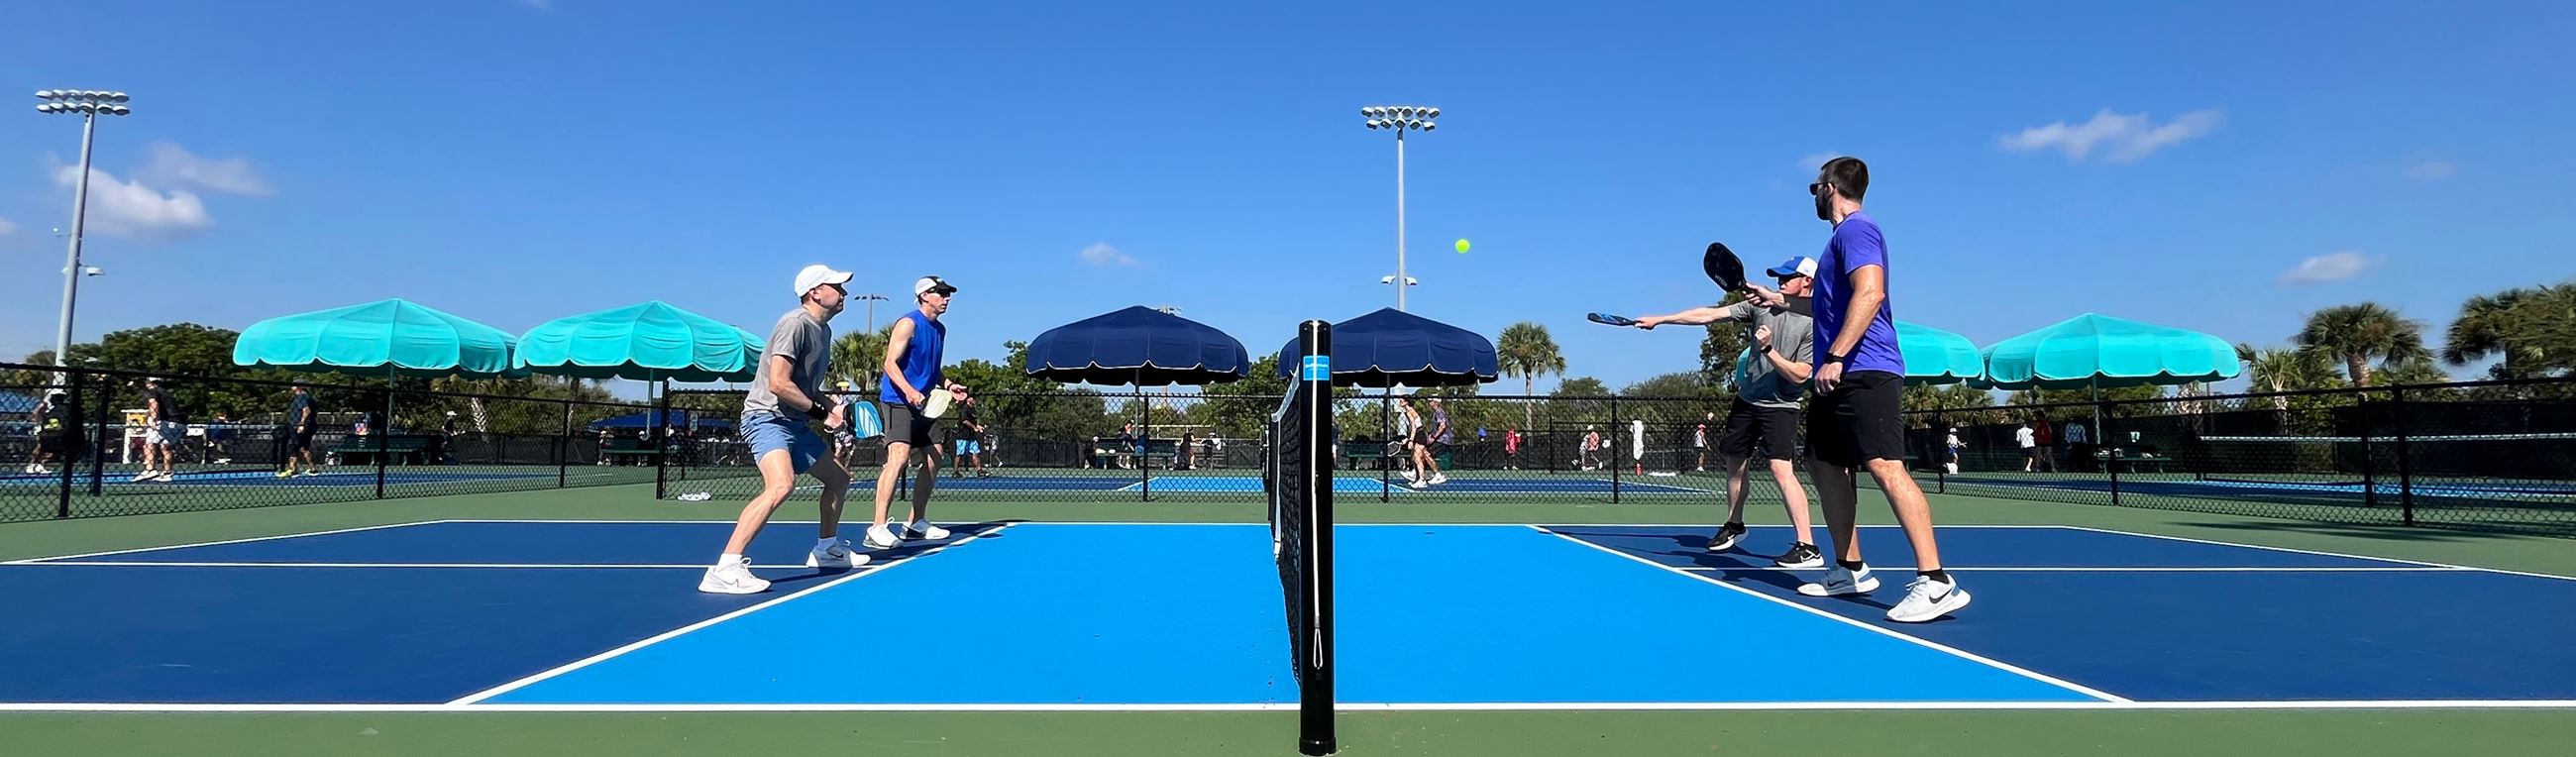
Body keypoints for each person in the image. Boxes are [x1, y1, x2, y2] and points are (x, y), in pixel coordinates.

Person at [1752, 156, 1965, 622]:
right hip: (1842, 373)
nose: (1814, 195)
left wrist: (1835, 356)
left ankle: (1935, 581)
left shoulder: (1857, 230)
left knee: (1886, 466)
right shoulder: (1836, 243)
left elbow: (1871, 293)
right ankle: (1850, 568)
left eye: (1815, 187)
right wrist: (1779, 299)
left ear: (1829, 188)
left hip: (1866, 369)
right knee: (1824, 463)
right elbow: (1831, 305)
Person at [1637, 256, 1824, 568]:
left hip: (1781, 406)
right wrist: (1662, 318)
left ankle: (1808, 546)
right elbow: (1707, 315)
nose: (1781, 282)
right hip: (1747, 401)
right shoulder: (1759, 307)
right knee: (1734, 463)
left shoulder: (1814, 323)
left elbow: (1801, 375)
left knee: (1781, 470)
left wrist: (1767, 349)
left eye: (1787, 277)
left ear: (1807, 281)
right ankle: (1734, 524)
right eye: (1778, 277)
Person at [698, 264, 868, 595]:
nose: (844, 292)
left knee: (839, 479)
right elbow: (778, 383)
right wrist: (822, 413)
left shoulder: (824, 331)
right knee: (781, 485)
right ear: (815, 292)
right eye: (837, 286)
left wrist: (833, 407)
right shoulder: (795, 324)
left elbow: (806, 386)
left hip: (796, 422)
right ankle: (725, 567)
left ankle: (826, 549)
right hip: (766, 418)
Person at [865, 275, 963, 551]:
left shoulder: (940, 330)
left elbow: (932, 368)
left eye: (947, 293)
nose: (946, 298)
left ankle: (915, 522)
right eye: (941, 293)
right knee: (898, 457)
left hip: (924, 402)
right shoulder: (908, 323)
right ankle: (877, 527)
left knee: (935, 456)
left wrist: (948, 384)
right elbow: (890, 364)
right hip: (898, 400)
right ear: (924, 295)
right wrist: (908, 391)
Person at [137, 378, 182, 483]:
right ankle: (167, 472)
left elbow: (154, 405)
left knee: (149, 444)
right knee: (166, 446)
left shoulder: (153, 392)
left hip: (165, 422)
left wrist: (153, 420)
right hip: (177, 422)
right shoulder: (166, 393)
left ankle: (150, 469)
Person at [26, 390, 70, 476]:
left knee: (51, 449)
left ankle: (40, 465)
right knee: (40, 446)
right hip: (43, 428)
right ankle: (31, 464)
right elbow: (36, 414)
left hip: (54, 429)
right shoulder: (46, 405)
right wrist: (39, 421)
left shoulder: (61, 408)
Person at [279, 382, 319, 478]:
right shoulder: (309, 397)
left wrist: (301, 424)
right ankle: (313, 469)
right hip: (310, 425)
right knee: (304, 447)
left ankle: (293, 470)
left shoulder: (301, 397)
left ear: (298, 387)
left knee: (294, 446)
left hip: (299, 426)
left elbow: (306, 410)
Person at [1410, 397, 1451, 486]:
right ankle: (1417, 473)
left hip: (1443, 439)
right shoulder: (1436, 413)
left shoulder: (1439, 411)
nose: (1429, 403)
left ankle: (1437, 475)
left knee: (1426, 453)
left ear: (1435, 402)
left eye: (1431, 401)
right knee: (1423, 452)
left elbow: (1442, 426)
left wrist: (1433, 437)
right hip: (1440, 439)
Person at [952, 385, 989, 478]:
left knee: (975, 452)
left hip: (971, 436)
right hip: (962, 435)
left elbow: (973, 422)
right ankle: (956, 472)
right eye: (973, 398)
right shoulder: (964, 409)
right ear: (969, 399)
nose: (975, 400)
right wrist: (974, 427)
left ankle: (979, 471)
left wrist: (978, 426)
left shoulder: (973, 409)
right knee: (960, 454)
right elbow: (965, 421)